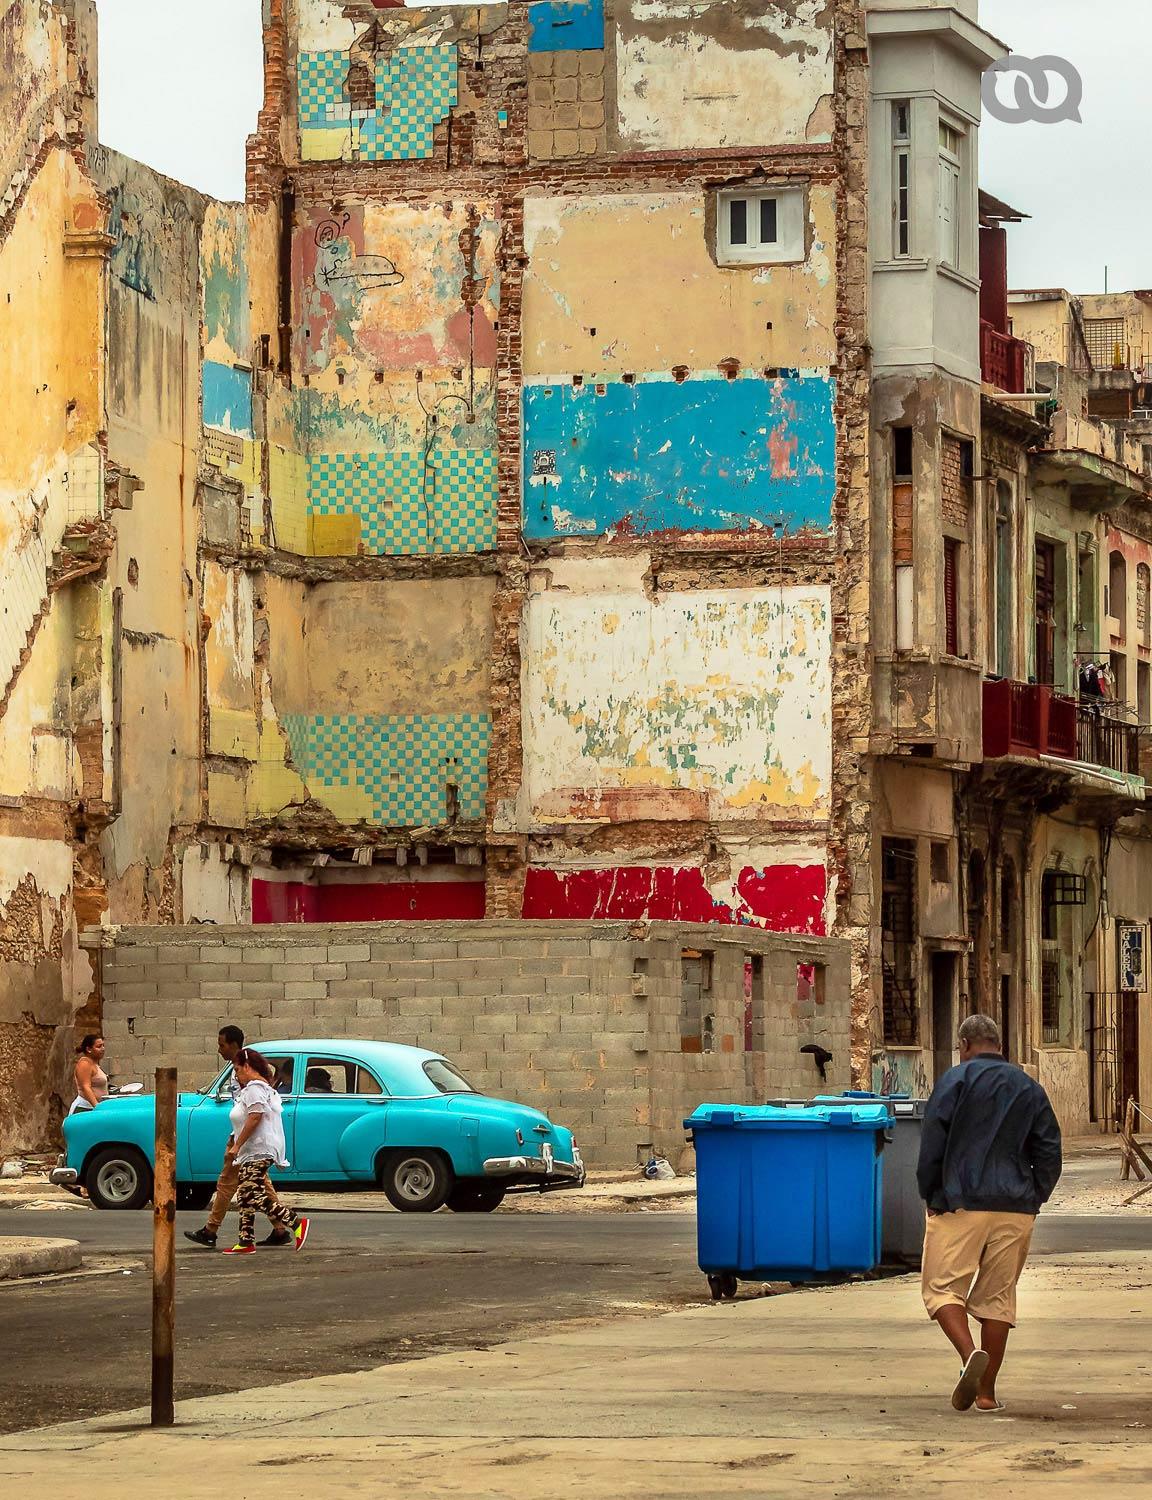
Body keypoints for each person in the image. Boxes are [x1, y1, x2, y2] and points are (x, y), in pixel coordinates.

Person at [917, 1013, 1062, 1413]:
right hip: (1015, 1206)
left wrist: (931, 1192)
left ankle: (968, 1358)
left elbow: (932, 1144)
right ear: (1000, 1044)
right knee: (997, 1301)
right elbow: (1049, 1149)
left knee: (943, 1289)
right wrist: (1035, 1196)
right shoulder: (1029, 1088)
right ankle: (986, 1394)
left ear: (964, 1046)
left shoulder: (954, 1081)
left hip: (959, 1202)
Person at [221, 1046, 309, 1257]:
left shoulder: (254, 1088)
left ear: (247, 1066)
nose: (236, 1075)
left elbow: (255, 1116)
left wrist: (237, 1145)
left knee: (253, 1193)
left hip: (258, 1149)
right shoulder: (259, 1088)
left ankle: (295, 1221)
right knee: (245, 1195)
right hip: (254, 1150)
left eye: (237, 1069)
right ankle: (245, 1240)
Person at [185, 1025, 250, 1248]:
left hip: (243, 1135)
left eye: (222, 1045)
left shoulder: (244, 1068)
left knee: (226, 1183)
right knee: (259, 1186)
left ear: (233, 1045)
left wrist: (239, 1141)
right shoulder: (236, 1067)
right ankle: (282, 1227)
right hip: (241, 1133)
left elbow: (254, 1106)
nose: (219, 1050)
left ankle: (211, 1229)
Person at [70, 1036, 109, 1115]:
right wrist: (97, 1107)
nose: (103, 1049)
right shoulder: (85, 1064)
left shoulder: (94, 1064)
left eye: (103, 1045)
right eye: (99, 1046)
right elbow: (86, 1087)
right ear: (89, 1049)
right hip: (85, 1108)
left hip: (93, 1108)